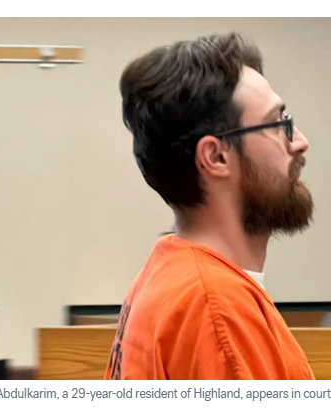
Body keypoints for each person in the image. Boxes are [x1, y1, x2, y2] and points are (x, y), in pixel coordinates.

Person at [105, 33, 315, 380]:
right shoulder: (216, 311)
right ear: (216, 157)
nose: (300, 142)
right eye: (280, 124)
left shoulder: (168, 274)